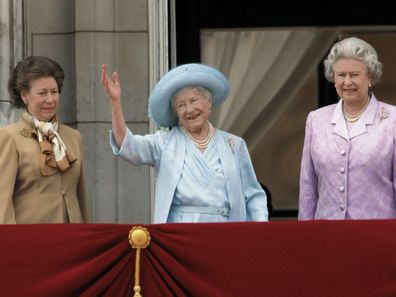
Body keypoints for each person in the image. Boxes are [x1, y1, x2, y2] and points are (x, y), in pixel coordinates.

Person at [101, 63, 268, 223]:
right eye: (181, 105)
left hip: (225, 233)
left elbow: (253, 195)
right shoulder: (165, 142)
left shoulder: (234, 145)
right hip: (179, 234)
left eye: (194, 101)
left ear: (208, 103)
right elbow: (130, 147)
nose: (189, 109)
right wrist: (115, 103)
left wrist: (260, 232)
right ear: (176, 112)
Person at [299, 36, 396, 220]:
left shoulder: (392, 120)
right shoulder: (316, 120)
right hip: (327, 237)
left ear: (370, 77)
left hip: (377, 237)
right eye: (341, 75)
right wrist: (305, 237)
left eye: (355, 74)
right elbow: (308, 187)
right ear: (333, 78)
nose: (347, 82)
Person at [0, 56, 88, 224]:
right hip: (31, 242)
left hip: (71, 239)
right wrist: (11, 245)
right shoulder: (9, 138)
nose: (50, 99)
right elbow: (2, 204)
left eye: (54, 92)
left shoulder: (73, 137)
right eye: (42, 93)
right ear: (25, 96)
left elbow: (80, 197)